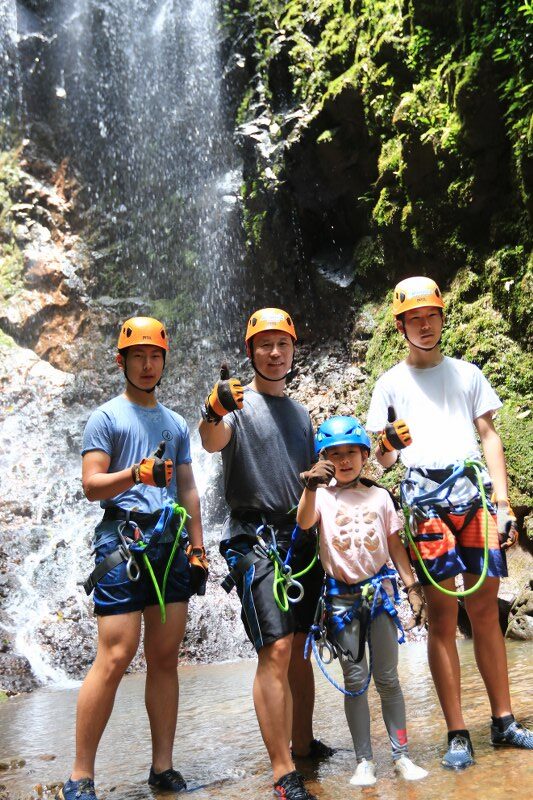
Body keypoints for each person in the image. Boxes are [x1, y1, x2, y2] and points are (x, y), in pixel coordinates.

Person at [366, 276, 533, 770]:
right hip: (424, 501)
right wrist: (390, 443)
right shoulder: (390, 384)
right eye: (414, 318)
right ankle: (457, 731)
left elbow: (490, 436)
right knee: (441, 616)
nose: (424, 324)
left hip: (474, 494)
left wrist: (503, 505)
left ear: (442, 318)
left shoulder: (467, 374)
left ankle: (503, 720)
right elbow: (382, 462)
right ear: (400, 326)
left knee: (485, 608)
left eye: (431, 315)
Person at [57, 316, 207, 800]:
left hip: (169, 541)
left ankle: (162, 767)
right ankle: (80, 775)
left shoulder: (177, 423)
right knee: (116, 653)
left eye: (155, 356)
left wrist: (198, 546)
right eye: (138, 356)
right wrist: (136, 475)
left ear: (164, 361)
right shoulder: (105, 417)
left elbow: (187, 487)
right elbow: (90, 485)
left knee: (165, 658)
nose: (147, 364)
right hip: (122, 540)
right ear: (122, 361)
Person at [199, 307, 331, 800]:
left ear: (293, 350)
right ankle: (282, 772)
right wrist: (213, 409)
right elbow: (211, 441)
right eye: (264, 345)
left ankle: (303, 744)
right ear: (250, 350)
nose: (274, 353)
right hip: (255, 540)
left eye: (283, 345)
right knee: (274, 648)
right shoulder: (236, 406)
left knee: (298, 646)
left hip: (298, 538)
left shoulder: (301, 415)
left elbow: (318, 483)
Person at [297, 415, 429, 787]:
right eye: (334, 454)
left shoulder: (380, 496)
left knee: (388, 678)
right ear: (323, 458)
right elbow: (305, 524)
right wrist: (310, 487)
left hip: (381, 595)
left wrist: (412, 587)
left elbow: (394, 545)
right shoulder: (320, 495)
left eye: (351, 452)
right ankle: (364, 761)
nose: (343, 461)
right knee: (356, 681)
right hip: (341, 599)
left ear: (365, 455)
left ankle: (402, 756)